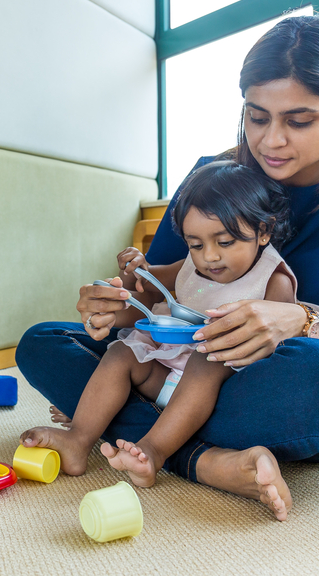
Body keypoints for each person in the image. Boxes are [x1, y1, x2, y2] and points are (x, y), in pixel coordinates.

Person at [15, 14, 319, 522]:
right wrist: (113, 306)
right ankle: (202, 460)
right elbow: (161, 296)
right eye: (257, 117)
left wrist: (299, 320)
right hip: (173, 361)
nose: (271, 141)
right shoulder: (213, 176)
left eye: (298, 121)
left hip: (275, 380)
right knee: (42, 342)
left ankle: (138, 434)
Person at [21, 162, 298, 512]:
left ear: (263, 231)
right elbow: (149, 287)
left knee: (207, 359)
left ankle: (154, 449)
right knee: (122, 353)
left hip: (218, 389)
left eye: (225, 242)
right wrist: (136, 270)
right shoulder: (192, 266)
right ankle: (79, 439)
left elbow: (284, 355)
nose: (209, 256)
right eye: (196, 244)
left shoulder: (273, 280)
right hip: (164, 377)